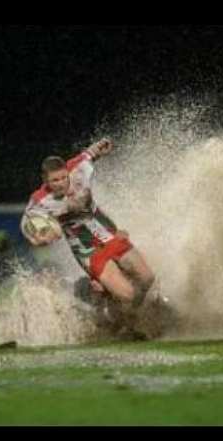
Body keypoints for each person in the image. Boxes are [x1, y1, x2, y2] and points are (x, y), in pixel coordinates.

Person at [21, 138, 170, 338]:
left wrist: (103, 146)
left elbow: (91, 153)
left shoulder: (78, 168)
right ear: (45, 181)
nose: (60, 184)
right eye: (54, 181)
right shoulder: (39, 201)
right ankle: (124, 324)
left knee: (147, 278)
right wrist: (38, 239)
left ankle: (113, 303)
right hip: (88, 251)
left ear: (68, 172)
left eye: (63, 178)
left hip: (111, 235)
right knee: (127, 294)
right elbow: (27, 225)